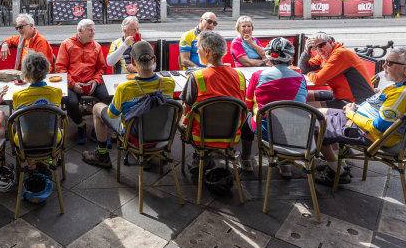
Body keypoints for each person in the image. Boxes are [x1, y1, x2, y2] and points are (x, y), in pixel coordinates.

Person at [315, 47, 406, 186]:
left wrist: (350, 114)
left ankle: (337, 173)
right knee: (321, 112)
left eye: (389, 63)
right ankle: (339, 162)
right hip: (363, 120)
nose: (383, 66)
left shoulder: (403, 94)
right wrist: (356, 109)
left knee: (316, 124)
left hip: (371, 135)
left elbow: (377, 127)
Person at [82, 41, 174, 168]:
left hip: (133, 134)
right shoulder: (169, 83)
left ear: (133, 62)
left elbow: (112, 115)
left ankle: (102, 154)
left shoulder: (124, 88)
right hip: (161, 134)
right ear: (154, 60)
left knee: (98, 108)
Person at [180, 31, 247, 173]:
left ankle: (200, 156)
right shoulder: (240, 76)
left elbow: (186, 109)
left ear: (207, 52)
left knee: (179, 116)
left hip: (202, 136)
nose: (197, 51)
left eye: (198, 47)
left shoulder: (196, 77)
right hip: (232, 136)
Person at [243, 38, 308, 176]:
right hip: (296, 131)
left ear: (269, 57)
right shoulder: (300, 77)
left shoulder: (257, 75)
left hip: (266, 130)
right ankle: (285, 163)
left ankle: (246, 159)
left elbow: (248, 104)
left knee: (246, 117)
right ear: (290, 58)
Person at [55, 19, 109, 144]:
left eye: (94, 30)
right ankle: (80, 124)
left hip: (92, 82)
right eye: (90, 30)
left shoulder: (97, 46)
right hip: (73, 83)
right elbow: (60, 68)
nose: (93, 33)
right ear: (80, 31)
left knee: (108, 96)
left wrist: (95, 81)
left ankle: (99, 126)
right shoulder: (67, 44)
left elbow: (102, 68)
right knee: (71, 102)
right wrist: (73, 85)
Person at [298, 32, 374, 109]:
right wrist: (306, 51)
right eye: (314, 47)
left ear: (330, 42)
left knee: (304, 108)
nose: (319, 50)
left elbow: (318, 80)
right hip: (339, 95)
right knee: (301, 96)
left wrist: (308, 72)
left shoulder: (340, 54)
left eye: (321, 45)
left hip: (356, 102)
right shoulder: (325, 54)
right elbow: (302, 67)